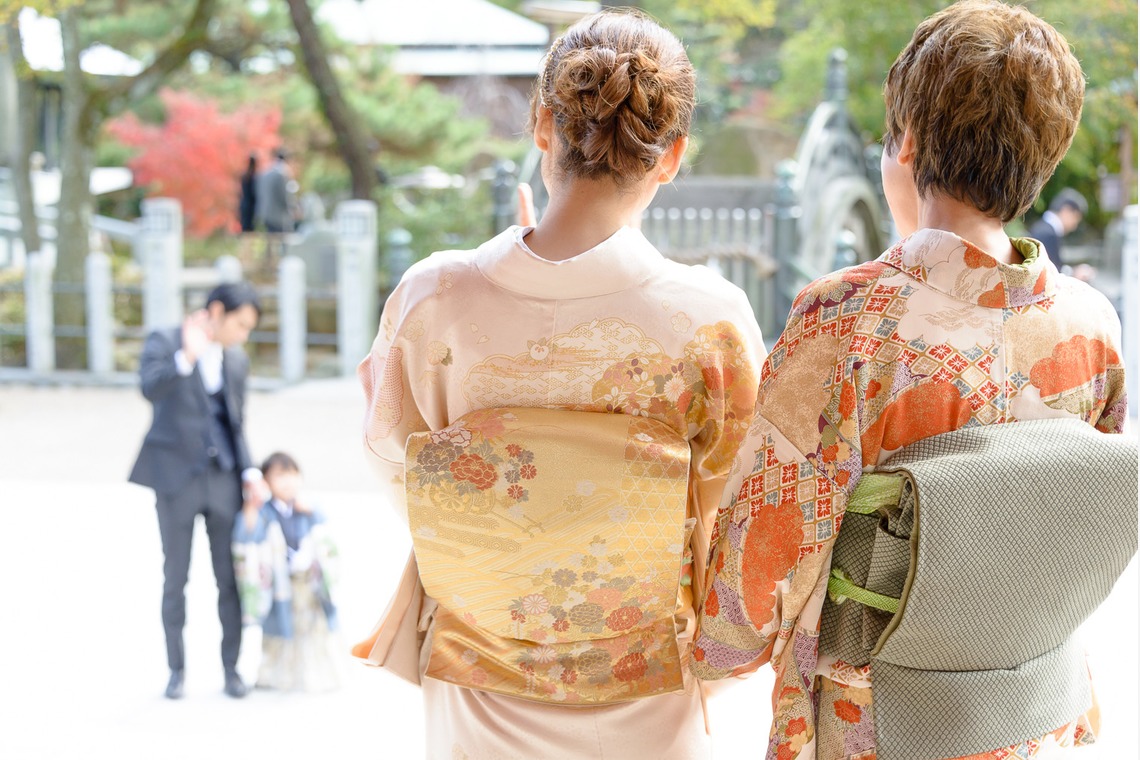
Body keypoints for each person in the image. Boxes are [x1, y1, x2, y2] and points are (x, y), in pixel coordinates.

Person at [692, 2, 1127, 759]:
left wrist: (719, 648)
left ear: (911, 139)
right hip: (1037, 712)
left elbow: (766, 554)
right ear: (1047, 153)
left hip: (881, 717)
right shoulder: (1091, 325)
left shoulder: (848, 318)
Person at [355, 10, 766, 758]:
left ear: (542, 125)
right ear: (672, 157)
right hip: (644, 678)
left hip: (478, 671)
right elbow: (737, 497)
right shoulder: (708, 316)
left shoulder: (435, 295)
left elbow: (397, 461)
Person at [129, 281, 265, 700]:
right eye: (241, 325)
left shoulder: (236, 360)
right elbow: (149, 388)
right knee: (176, 577)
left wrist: (250, 472)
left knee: (229, 579)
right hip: (176, 479)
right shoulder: (165, 340)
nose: (243, 335)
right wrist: (186, 357)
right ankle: (176, 670)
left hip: (223, 479)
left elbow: (236, 422)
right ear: (218, 311)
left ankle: (231, 669)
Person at [233, 452, 340, 693]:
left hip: (307, 583)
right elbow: (246, 535)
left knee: (311, 630)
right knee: (278, 631)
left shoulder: (306, 507)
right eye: (280, 476)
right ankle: (272, 677)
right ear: (267, 482)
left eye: (292, 474)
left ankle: (313, 676)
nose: (288, 482)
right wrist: (251, 504)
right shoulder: (265, 512)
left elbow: (325, 535)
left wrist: (311, 511)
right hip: (280, 585)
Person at [1029, 187, 1092, 277]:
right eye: (1076, 219)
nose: (1074, 226)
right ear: (1066, 211)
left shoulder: (1043, 228)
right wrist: (1074, 273)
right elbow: (1050, 273)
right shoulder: (1048, 234)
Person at [238, 153, 258, 234]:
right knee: (251, 228)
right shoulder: (255, 176)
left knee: (245, 228)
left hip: (244, 203)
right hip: (252, 205)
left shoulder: (245, 176)